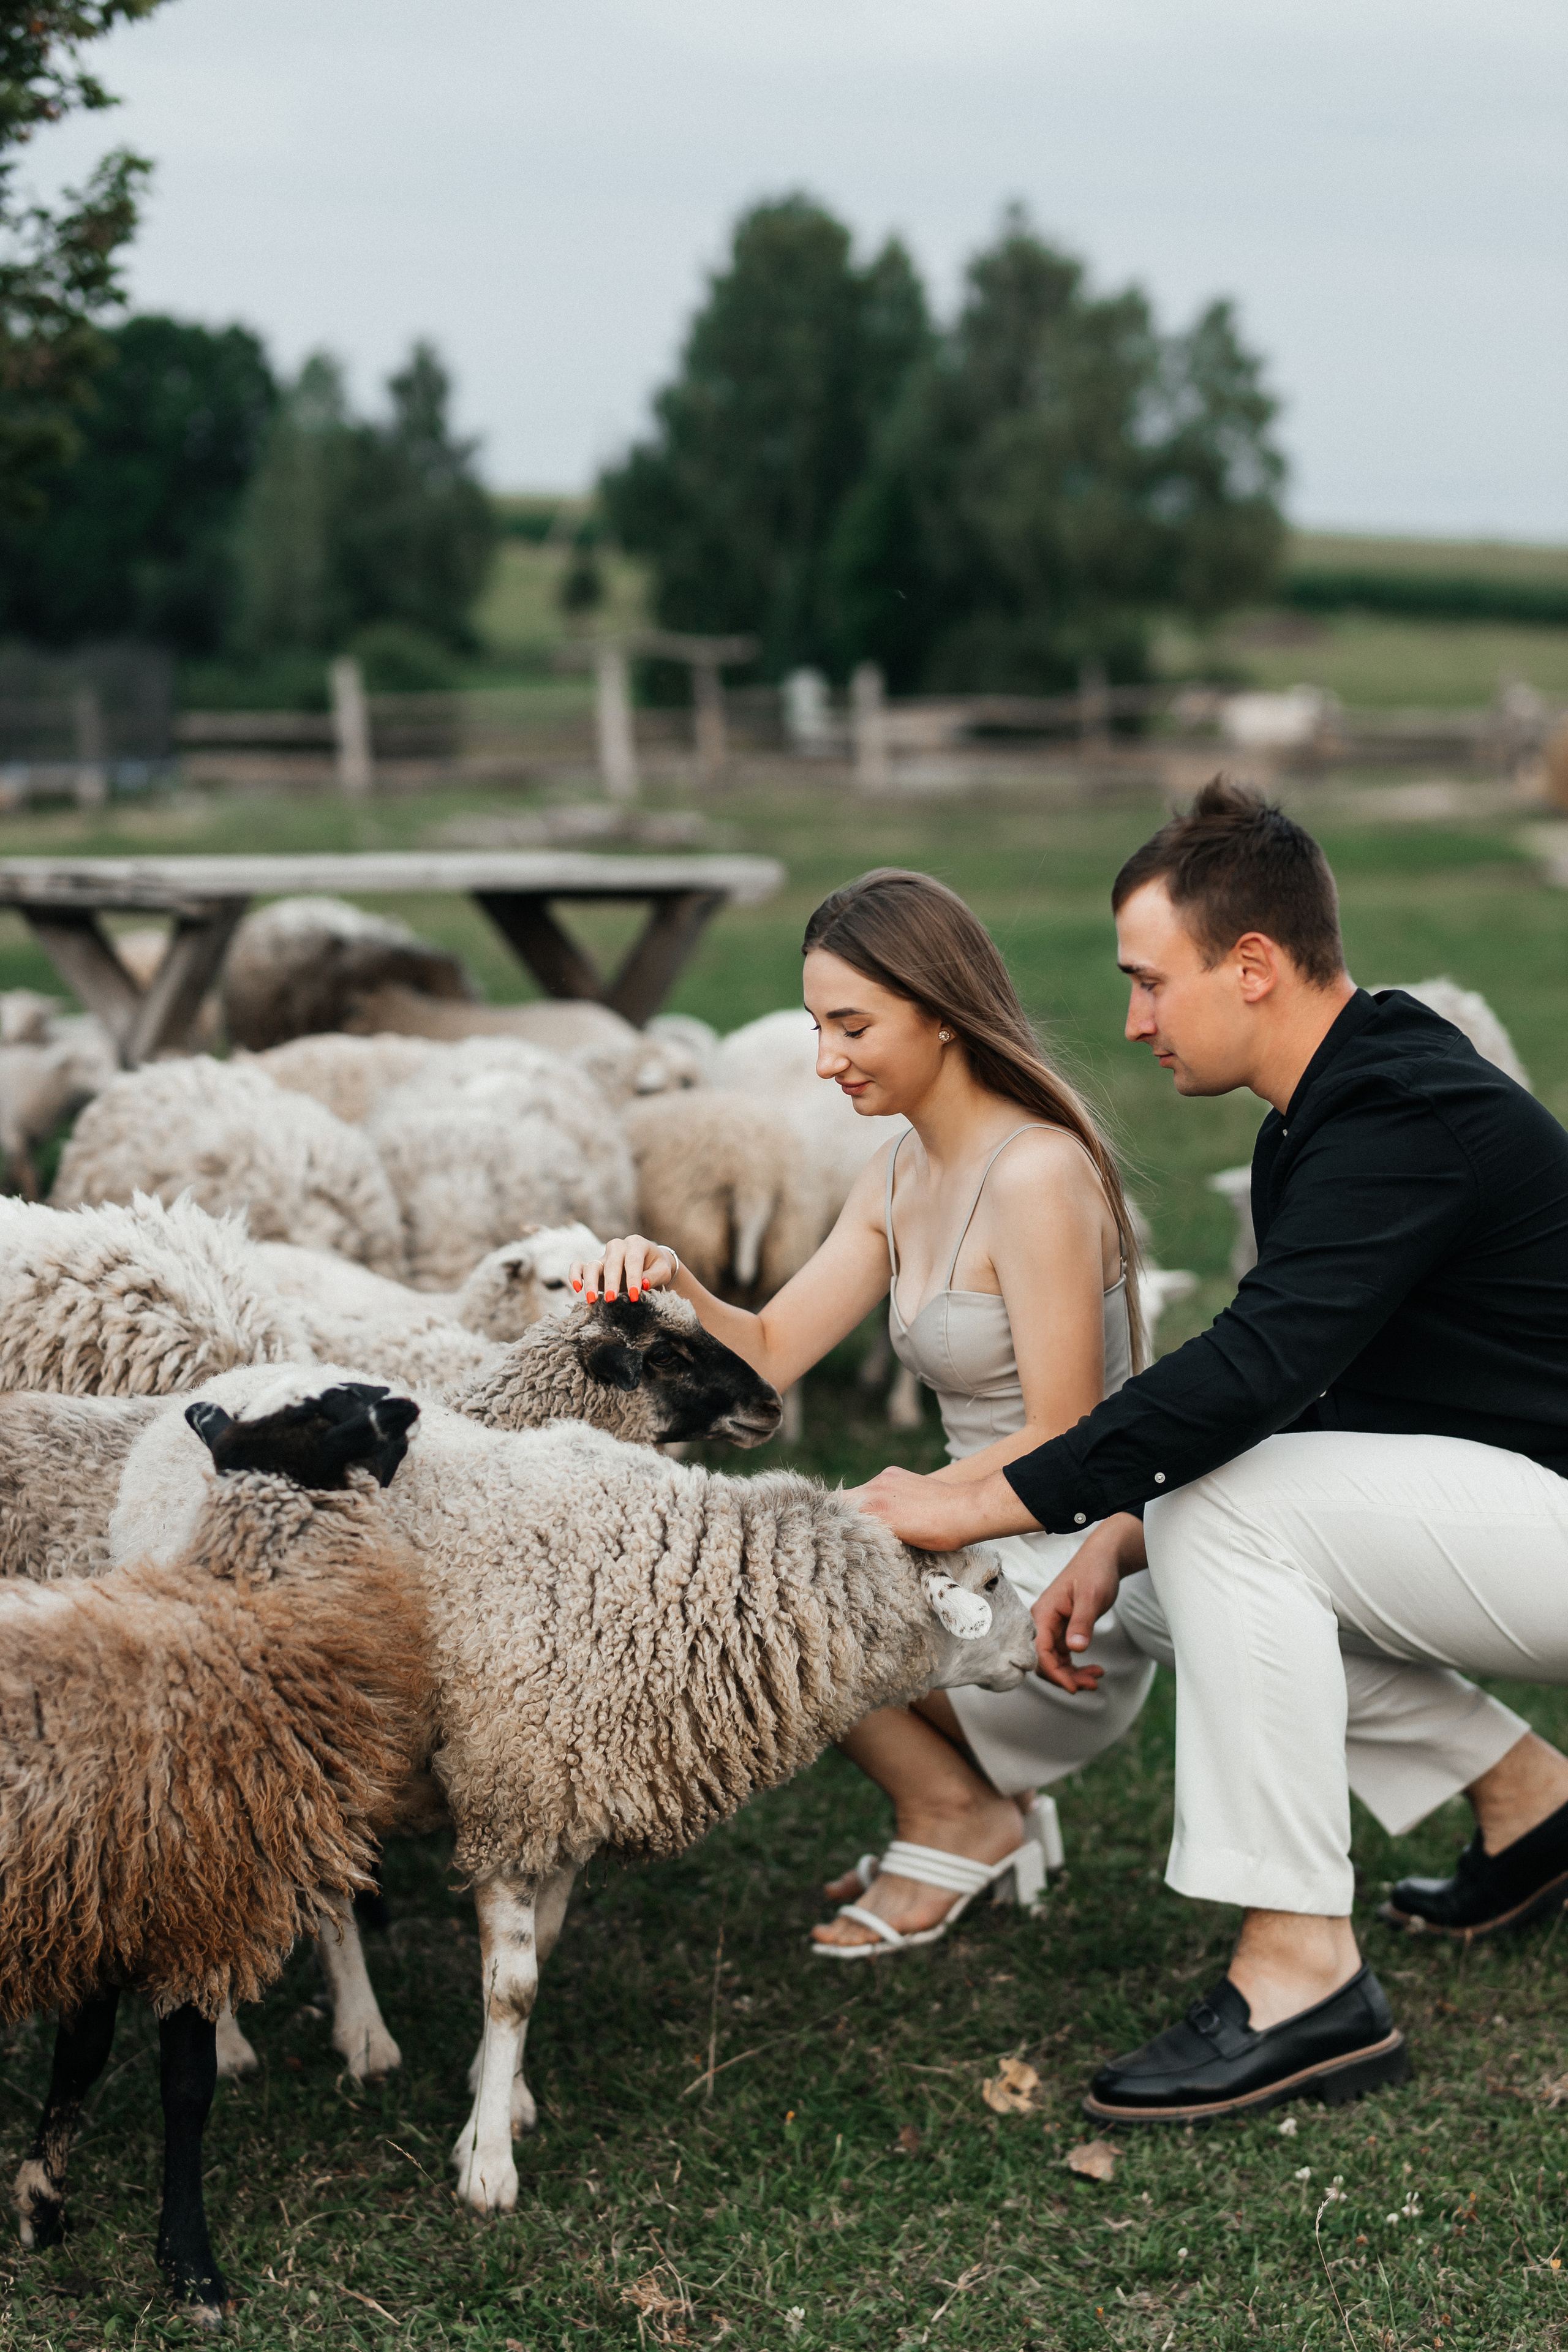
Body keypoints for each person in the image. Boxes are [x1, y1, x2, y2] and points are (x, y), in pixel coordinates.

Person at [853, 780, 1568, 2119]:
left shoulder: (1396, 1115)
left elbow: (1249, 1372)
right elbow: (1307, 1378)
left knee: (1219, 1523)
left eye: (1147, 981)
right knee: (1169, 1565)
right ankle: (1527, 1797)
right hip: (1527, 1502)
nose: (1130, 1022)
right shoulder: (1333, 1106)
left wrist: (979, 1500)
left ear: (1248, 966)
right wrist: (1111, 1534)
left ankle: (1301, 1972)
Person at [572, 867, 1158, 1956]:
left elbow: (1075, 1440)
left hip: (1068, 1567)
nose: (825, 1057)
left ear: (940, 1016)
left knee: (783, 1584)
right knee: (768, 1563)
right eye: (817, 1025)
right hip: (965, 1525)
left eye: (853, 1025)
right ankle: (978, 1805)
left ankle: (960, 1813)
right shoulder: (897, 1173)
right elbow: (772, 1351)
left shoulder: (1035, 1174)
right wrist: (671, 1282)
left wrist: (902, 1507)